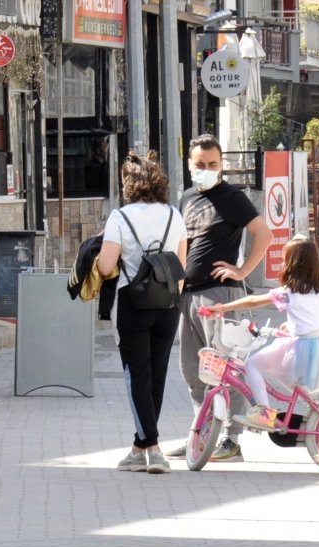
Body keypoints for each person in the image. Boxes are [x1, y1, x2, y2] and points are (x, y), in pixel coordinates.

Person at [167, 134, 273, 462]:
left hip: (223, 297)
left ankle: (232, 439)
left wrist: (242, 271)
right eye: (200, 165)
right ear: (189, 165)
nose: (207, 170)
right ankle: (202, 433)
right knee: (194, 370)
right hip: (190, 297)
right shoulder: (185, 198)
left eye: (213, 165)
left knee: (228, 368)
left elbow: (264, 235)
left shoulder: (231, 197)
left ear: (222, 165)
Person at [201, 235, 319, 430]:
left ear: (292, 263)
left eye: (285, 259)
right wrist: (294, 325)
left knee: (252, 365)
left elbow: (254, 301)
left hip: (299, 345)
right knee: (297, 384)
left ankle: (264, 413)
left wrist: (223, 308)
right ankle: (318, 411)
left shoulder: (289, 291)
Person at [97, 150, 188, 474]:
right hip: (167, 304)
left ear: (129, 184)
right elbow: (181, 266)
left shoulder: (120, 218)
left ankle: (153, 447)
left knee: (137, 374)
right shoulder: (174, 215)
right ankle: (139, 446)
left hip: (133, 303)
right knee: (157, 374)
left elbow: (107, 264)